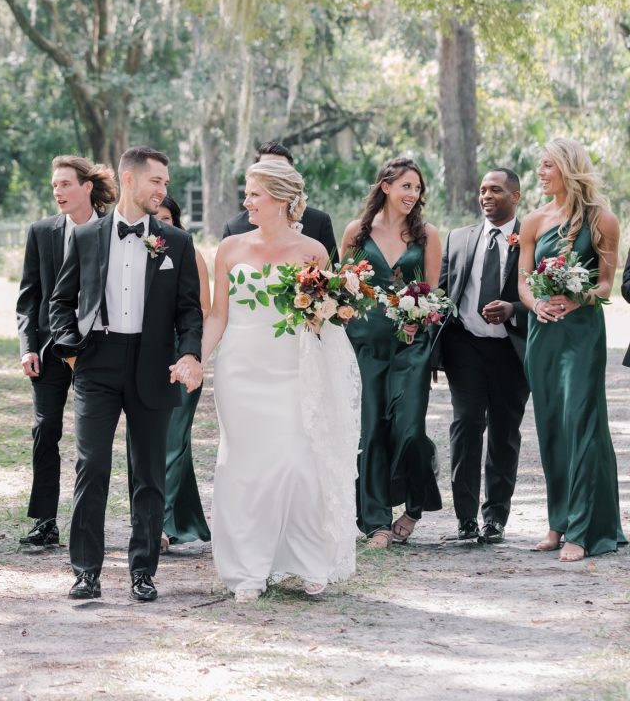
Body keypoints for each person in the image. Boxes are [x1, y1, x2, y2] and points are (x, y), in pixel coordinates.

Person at [49, 146, 203, 601]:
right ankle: (86, 572)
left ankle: (143, 572)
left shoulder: (177, 242)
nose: (163, 190)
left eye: (166, 183)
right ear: (129, 180)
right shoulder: (86, 236)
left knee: (149, 474)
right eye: (156, 181)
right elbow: (60, 301)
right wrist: (71, 352)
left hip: (154, 363)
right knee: (91, 466)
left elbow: (189, 311)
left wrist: (190, 353)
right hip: (97, 360)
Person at [204, 159, 361, 602]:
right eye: (247, 193)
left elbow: (326, 320)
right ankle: (249, 569)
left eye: (254, 194)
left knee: (298, 465)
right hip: (240, 369)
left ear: (280, 198)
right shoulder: (230, 249)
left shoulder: (314, 251)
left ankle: (309, 560)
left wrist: (323, 315)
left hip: (293, 368)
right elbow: (218, 314)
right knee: (245, 467)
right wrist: (196, 359)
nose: (246, 201)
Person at [518, 137, 626, 561]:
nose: (541, 173)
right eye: (539, 166)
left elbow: (605, 284)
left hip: (581, 334)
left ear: (567, 167)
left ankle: (582, 530)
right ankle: (557, 522)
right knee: (551, 427)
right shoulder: (533, 221)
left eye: (547, 166)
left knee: (581, 422)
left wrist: (576, 298)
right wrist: (536, 304)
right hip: (542, 334)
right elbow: (523, 282)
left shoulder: (604, 220)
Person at [16, 155, 118, 548]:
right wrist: (28, 347)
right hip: (48, 348)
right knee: (45, 429)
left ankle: (89, 521)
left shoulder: (113, 231)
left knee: (92, 441)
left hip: (100, 348)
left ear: (87, 187)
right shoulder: (41, 232)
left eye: (65, 184)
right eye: (54, 185)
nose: (57, 192)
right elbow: (29, 297)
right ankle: (45, 521)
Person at [340, 157, 442, 548]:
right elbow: (344, 289)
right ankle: (376, 522)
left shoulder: (427, 235)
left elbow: (433, 293)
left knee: (410, 430)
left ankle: (415, 506)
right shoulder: (356, 232)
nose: (413, 195)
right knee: (371, 433)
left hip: (410, 347)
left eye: (417, 189)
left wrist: (422, 316)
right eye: (406, 187)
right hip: (365, 346)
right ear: (385, 186)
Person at [431, 169, 529, 544]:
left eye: (496, 190)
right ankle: (466, 518)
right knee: (466, 425)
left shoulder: (530, 239)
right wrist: (434, 353)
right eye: (483, 190)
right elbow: (442, 297)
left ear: (515, 196)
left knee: (505, 432)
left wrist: (514, 309)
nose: (487, 196)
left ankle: (496, 518)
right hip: (465, 347)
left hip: (511, 350)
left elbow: (540, 294)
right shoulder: (458, 238)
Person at [127, 194, 212, 551]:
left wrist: (190, 357)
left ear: (175, 223)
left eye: (166, 218)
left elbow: (203, 310)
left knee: (173, 440)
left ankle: (158, 524)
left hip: (182, 355)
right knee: (144, 442)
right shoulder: (131, 253)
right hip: (141, 357)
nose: (159, 225)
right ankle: (169, 517)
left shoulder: (188, 253)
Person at [221, 142, 337, 260]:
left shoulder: (319, 223)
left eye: (280, 170)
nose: (274, 175)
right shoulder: (234, 228)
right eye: (268, 169)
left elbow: (332, 274)